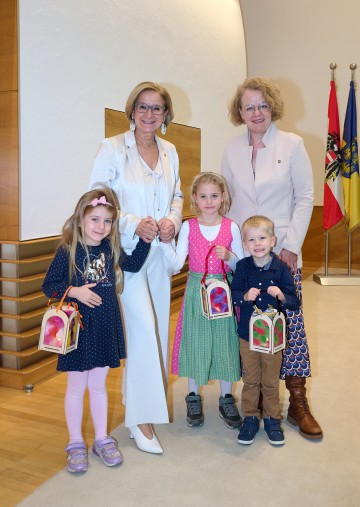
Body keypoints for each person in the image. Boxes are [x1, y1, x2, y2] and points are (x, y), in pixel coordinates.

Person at [221, 77, 323, 440]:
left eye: (262, 105)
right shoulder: (231, 149)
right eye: (248, 106)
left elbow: (305, 195)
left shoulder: (292, 145)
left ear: (272, 107)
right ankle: (257, 402)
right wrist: (232, 251)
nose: (256, 112)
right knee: (250, 325)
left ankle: (297, 400)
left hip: (281, 251)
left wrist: (291, 246)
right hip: (245, 254)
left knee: (289, 323)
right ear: (240, 112)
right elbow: (227, 202)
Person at [89, 82, 183, 454]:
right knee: (143, 330)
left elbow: (176, 194)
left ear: (165, 115)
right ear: (132, 111)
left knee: (157, 331)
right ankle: (140, 421)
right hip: (126, 256)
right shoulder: (112, 148)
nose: (149, 114)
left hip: (159, 253)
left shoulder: (171, 150)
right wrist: (130, 222)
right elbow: (97, 198)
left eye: (156, 108)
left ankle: (137, 400)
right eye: (142, 107)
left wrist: (173, 221)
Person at [42, 188, 150, 473]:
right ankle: (76, 442)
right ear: (80, 220)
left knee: (99, 386)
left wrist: (145, 240)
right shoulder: (68, 249)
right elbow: (49, 286)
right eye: (95, 219)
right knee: (76, 388)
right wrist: (75, 291)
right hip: (77, 331)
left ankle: (101, 439)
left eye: (107, 221)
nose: (101, 226)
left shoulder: (110, 249)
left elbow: (135, 265)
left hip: (103, 327)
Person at [161, 172, 243, 429]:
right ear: (195, 198)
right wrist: (164, 243)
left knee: (225, 343)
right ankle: (193, 396)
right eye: (203, 196)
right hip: (197, 294)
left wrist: (229, 256)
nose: (209, 201)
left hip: (222, 295)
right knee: (196, 342)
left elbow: (241, 267)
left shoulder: (231, 227)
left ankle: (226, 397)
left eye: (214, 196)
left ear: (222, 198)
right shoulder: (189, 227)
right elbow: (175, 264)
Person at [231, 215, 300, 446]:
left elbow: (294, 302)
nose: (257, 243)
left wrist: (280, 294)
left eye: (262, 238)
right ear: (244, 243)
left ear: (273, 241)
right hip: (248, 336)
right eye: (252, 239)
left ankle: (272, 419)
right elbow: (233, 296)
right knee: (251, 380)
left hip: (272, 338)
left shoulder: (281, 269)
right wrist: (243, 297)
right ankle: (250, 417)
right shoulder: (242, 267)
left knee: (270, 381)